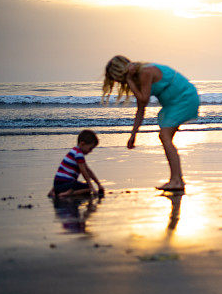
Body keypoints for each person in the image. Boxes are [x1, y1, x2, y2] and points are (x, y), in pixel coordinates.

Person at [103, 55, 199, 191]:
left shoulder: (144, 72)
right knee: (165, 137)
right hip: (173, 102)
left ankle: (177, 180)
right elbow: (141, 109)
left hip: (184, 98)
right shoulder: (138, 76)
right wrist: (133, 135)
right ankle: (177, 180)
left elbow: (144, 99)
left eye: (116, 78)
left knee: (164, 136)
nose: (119, 82)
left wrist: (129, 80)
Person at [48, 130, 104, 198]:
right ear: (82, 144)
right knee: (87, 189)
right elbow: (84, 172)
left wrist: (99, 184)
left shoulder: (74, 151)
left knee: (76, 184)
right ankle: (68, 193)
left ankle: (54, 191)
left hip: (57, 184)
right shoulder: (79, 155)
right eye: (90, 148)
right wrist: (91, 186)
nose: (91, 151)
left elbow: (88, 170)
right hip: (67, 184)